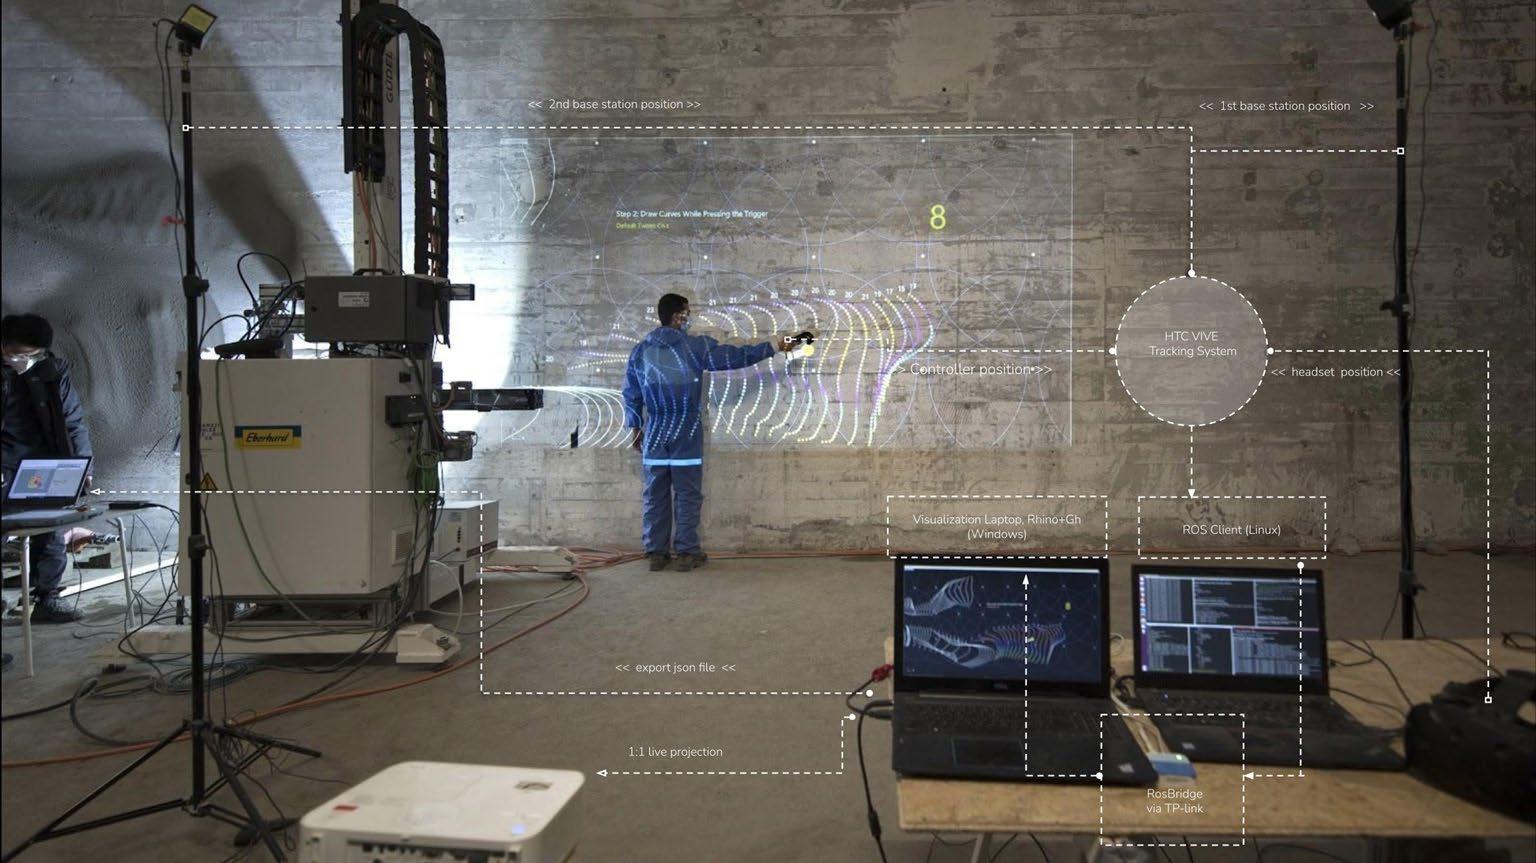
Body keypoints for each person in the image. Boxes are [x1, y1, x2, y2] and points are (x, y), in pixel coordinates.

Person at [623, 294, 790, 572]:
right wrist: (774, 345)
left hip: (655, 433)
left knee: (655, 494)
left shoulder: (641, 351)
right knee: (687, 493)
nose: (690, 318)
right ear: (677, 316)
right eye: (687, 313)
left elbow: (631, 393)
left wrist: (636, 427)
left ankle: (656, 553)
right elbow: (736, 357)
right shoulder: (694, 347)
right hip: (685, 431)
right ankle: (687, 552)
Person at [2, 313, 93, 623]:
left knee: (50, 529)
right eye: (18, 354)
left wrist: (83, 465)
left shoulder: (51, 370)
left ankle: (48, 599)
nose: (25, 361)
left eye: (34, 355)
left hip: (42, 461)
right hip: (5, 461)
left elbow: (73, 419)